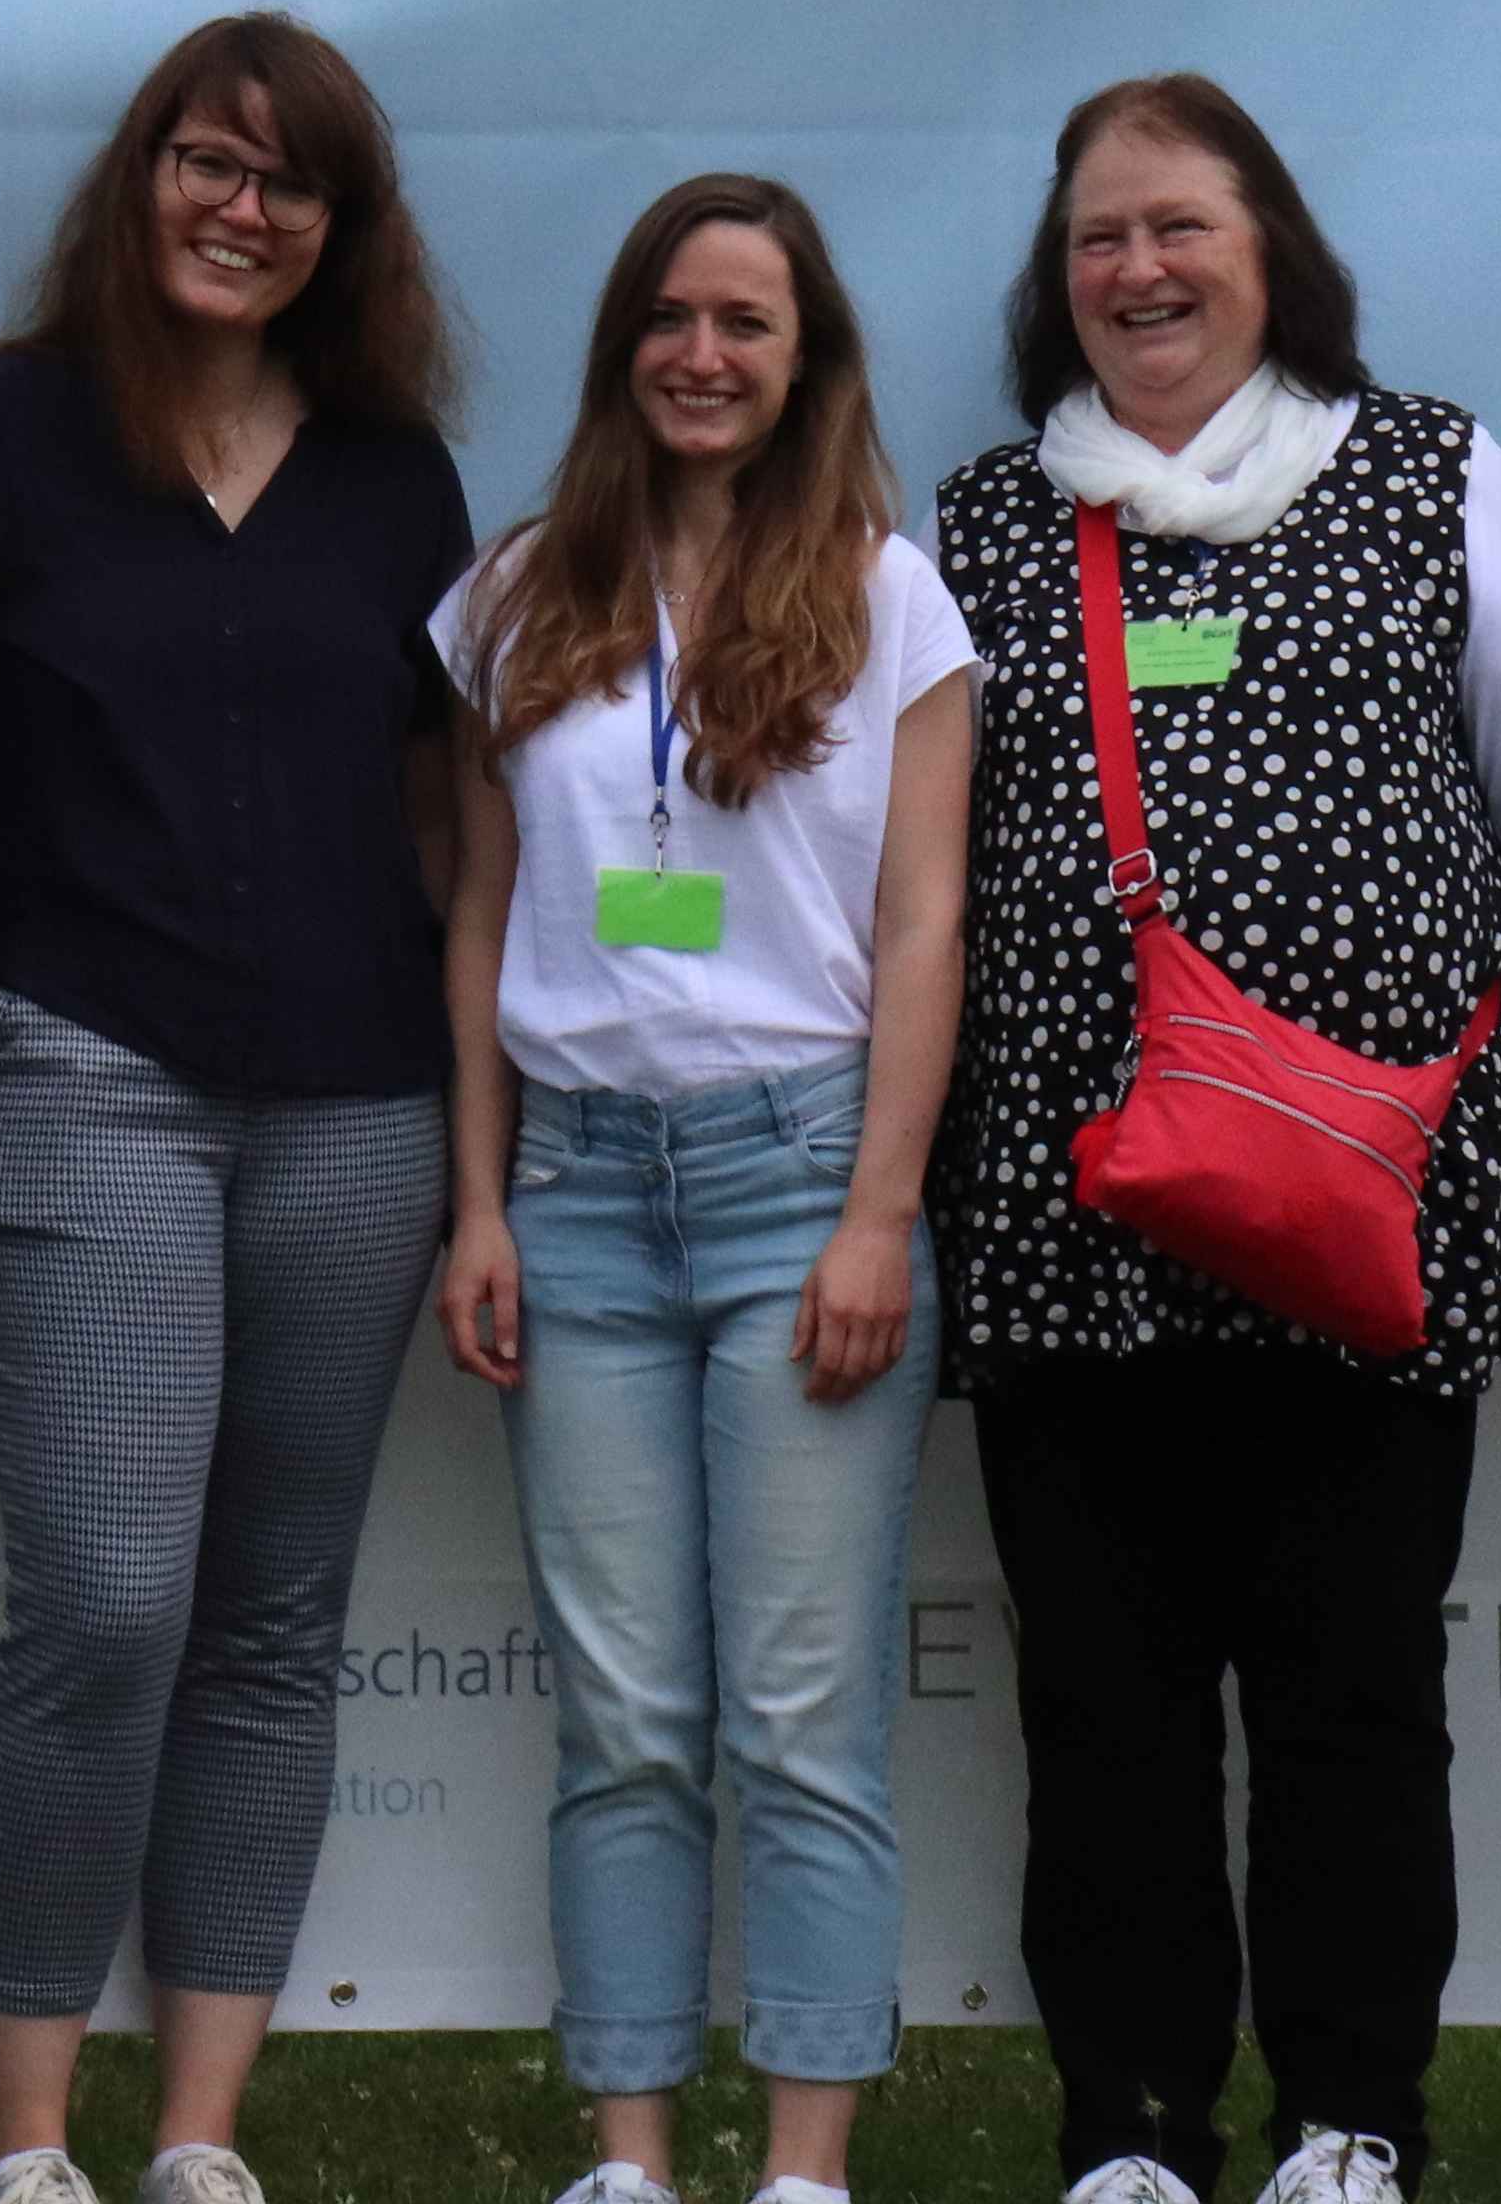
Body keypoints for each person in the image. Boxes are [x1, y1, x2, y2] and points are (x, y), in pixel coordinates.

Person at [928, 72, 1501, 2204]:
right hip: (1076, 1214)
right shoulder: (980, 521)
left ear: (1276, 255)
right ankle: (1130, 2127)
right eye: (1098, 238)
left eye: (1182, 227)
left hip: (1373, 1201)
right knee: (1102, 1699)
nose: (1139, 269)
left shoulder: (1426, 468)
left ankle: (1357, 2120)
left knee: (1351, 1691)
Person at [0, 13, 472, 2204]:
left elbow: (436, 809)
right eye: (210, 158)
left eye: (292, 182)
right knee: (108, 1600)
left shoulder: (395, 469)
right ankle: (26, 2134)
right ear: (143, 174)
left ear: (338, 232)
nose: (243, 206)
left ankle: (199, 2133)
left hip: (357, 1100)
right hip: (69, 1067)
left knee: (274, 1614)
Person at [430, 178, 973, 2204]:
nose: (706, 354)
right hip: (570, 1184)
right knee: (629, 1715)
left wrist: (876, 1215)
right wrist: (475, 1199)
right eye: (672, 314)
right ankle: (633, 2153)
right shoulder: (509, 593)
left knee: (805, 1711)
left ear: (808, 353)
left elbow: (924, 925)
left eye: (750, 319)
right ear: (622, 343)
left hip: (801, 1173)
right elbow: (484, 904)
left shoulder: (893, 597)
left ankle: (806, 2165)